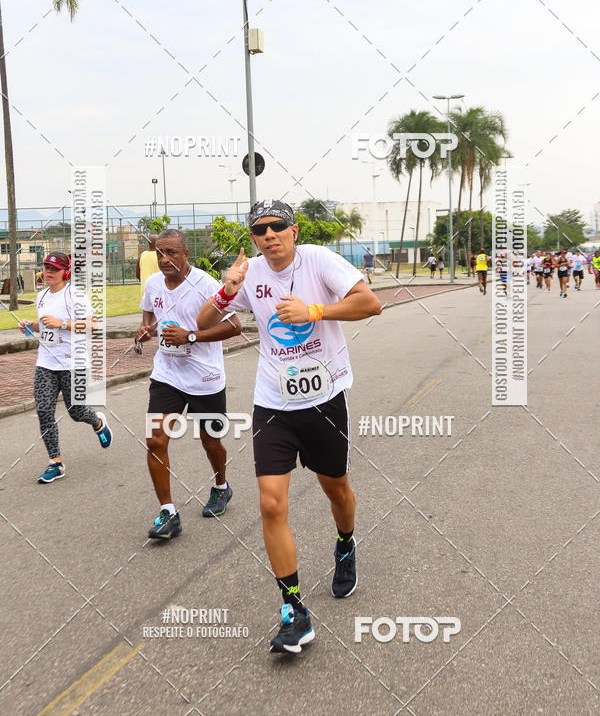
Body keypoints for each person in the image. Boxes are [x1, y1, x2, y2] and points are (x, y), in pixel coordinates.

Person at [196, 200, 382, 654]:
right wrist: (226, 290)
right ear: (254, 237)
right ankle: (294, 610)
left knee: (335, 489)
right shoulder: (250, 273)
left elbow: (370, 303)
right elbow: (201, 324)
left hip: (323, 400)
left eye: (278, 226)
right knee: (271, 503)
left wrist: (315, 311)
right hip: (273, 403)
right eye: (260, 229)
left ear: (293, 230)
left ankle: (344, 544)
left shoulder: (319, 259)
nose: (270, 235)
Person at [136, 230, 242, 539]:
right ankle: (168, 512)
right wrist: (144, 330)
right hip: (167, 375)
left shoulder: (205, 284)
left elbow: (235, 325)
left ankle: (221, 485)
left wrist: (190, 336)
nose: (164, 259)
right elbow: (148, 317)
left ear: (185, 255)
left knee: (210, 442)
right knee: (156, 440)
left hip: (205, 378)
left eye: (171, 253)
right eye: (160, 253)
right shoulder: (154, 282)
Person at [18, 252, 113, 484]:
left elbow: (93, 324)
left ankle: (98, 422)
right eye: (46, 267)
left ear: (65, 272)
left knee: (76, 412)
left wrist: (63, 323)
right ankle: (56, 463)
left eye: (54, 269)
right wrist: (30, 326)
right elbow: (45, 327)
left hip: (74, 364)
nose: (48, 272)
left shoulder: (75, 295)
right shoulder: (41, 296)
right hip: (46, 363)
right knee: (43, 410)